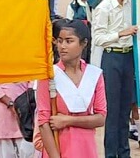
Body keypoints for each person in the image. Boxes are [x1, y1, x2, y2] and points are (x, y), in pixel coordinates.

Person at [38, 20, 107, 158]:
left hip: (87, 149)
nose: (62, 46)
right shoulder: (49, 75)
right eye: (59, 41)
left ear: (84, 43)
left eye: (69, 41)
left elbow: (100, 118)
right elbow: (43, 122)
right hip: (59, 149)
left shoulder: (94, 74)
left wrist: (67, 121)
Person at [92, 0, 137, 158]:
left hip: (128, 57)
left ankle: (124, 153)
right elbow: (98, 38)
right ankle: (111, 154)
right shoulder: (104, 8)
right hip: (111, 58)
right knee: (112, 110)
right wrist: (120, 34)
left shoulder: (130, 4)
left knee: (125, 107)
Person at [0, 82, 34, 158]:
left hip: (25, 113)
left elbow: (33, 84)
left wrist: (24, 104)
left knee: (29, 151)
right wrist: (10, 103)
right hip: (2, 114)